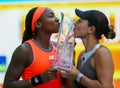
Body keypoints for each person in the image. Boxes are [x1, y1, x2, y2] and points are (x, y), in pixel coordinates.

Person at [3, 7, 63, 88]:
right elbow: (8, 85)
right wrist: (39, 79)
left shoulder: (58, 47)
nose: (57, 19)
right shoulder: (25, 50)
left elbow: (66, 83)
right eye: (51, 15)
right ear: (38, 24)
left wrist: (70, 58)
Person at [58, 8, 115, 88]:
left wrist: (78, 75)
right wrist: (69, 63)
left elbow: (106, 86)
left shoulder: (102, 52)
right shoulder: (81, 55)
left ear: (91, 29)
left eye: (79, 21)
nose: (74, 23)